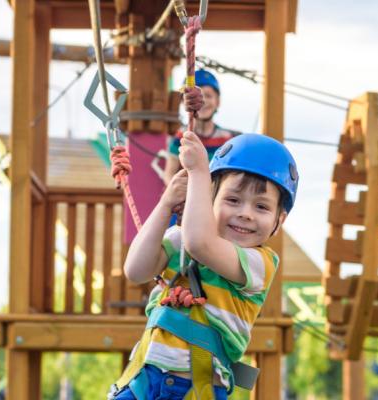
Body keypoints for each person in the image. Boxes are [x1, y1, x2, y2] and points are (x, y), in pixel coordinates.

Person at [109, 131, 299, 400]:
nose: (245, 213)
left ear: (279, 220)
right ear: (211, 200)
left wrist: (200, 171)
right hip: (142, 382)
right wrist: (166, 204)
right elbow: (136, 270)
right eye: (233, 200)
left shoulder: (260, 264)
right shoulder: (182, 239)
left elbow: (202, 244)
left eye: (261, 207)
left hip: (196, 390)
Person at [162, 69, 240, 184]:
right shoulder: (181, 136)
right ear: (185, 102)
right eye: (198, 97)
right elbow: (169, 174)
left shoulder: (226, 139)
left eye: (208, 96)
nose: (203, 101)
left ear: (218, 102)